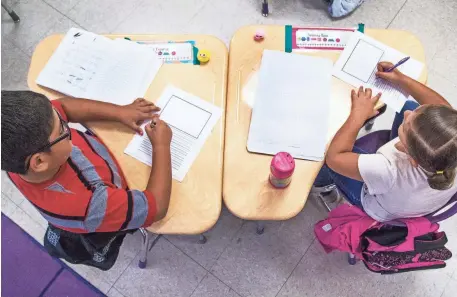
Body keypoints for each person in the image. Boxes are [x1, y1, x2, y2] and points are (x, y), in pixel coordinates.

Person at [1, 91, 172, 269]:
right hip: (117, 192)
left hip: (106, 162)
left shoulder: (16, 159)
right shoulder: (90, 205)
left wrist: (120, 112)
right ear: (40, 161)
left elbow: (64, 107)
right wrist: (161, 145)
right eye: (62, 130)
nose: (66, 126)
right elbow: (157, 207)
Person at [314, 62, 457, 222]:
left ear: (411, 157)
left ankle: (324, 185)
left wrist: (358, 114)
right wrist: (401, 78)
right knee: (409, 104)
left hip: (374, 203)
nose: (408, 114)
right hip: (415, 195)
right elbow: (442, 108)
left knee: (325, 151)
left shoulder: (388, 170)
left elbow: (335, 158)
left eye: (406, 127)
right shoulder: (451, 143)